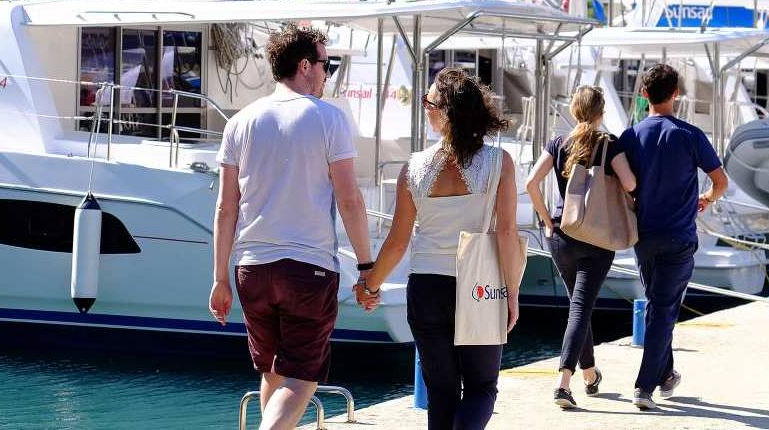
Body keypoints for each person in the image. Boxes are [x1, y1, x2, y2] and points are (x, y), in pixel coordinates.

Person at [209, 24, 375, 430]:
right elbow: (350, 200)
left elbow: (225, 209)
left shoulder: (240, 122)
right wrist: (368, 267)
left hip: (252, 269)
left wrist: (219, 278)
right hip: (308, 267)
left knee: (274, 372)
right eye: (325, 64)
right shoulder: (328, 119)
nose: (326, 74)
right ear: (305, 66)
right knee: (302, 377)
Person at [358, 68, 523, 430]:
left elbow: (398, 242)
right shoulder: (498, 163)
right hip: (477, 286)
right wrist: (511, 294)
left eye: (429, 102)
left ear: (446, 112)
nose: (426, 108)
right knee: (482, 388)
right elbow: (507, 232)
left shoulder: (413, 168)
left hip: (427, 287)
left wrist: (370, 286)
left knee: (441, 393)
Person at [615, 63, 728, 410]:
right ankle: (644, 386)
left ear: (643, 94)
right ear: (676, 93)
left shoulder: (631, 137)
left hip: (645, 237)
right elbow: (720, 181)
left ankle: (665, 375)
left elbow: (623, 185)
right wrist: (707, 200)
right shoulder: (690, 135)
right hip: (679, 237)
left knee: (657, 308)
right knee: (662, 311)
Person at [524, 86, 637, 410]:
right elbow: (630, 184)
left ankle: (589, 374)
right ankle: (563, 384)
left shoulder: (559, 143)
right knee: (580, 308)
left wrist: (547, 221)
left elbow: (530, 183)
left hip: (562, 235)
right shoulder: (608, 144)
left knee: (579, 306)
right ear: (601, 112)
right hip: (598, 240)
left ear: (574, 110)